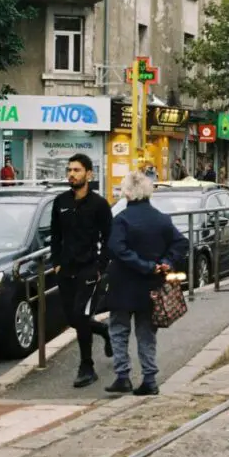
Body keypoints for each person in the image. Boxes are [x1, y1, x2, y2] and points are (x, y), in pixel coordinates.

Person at [104, 171, 188, 396]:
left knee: (119, 329)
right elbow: (181, 243)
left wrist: (144, 265)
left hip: (123, 284)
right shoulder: (162, 219)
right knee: (146, 333)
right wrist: (164, 263)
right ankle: (149, 378)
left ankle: (123, 376)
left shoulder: (121, 220)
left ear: (127, 193)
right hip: (152, 286)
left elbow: (116, 249)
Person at [50, 153, 113, 388]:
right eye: (69, 170)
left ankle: (87, 367)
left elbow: (109, 238)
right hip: (65, 270)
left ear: (89, 174)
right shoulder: (61, 202)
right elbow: (55, 236)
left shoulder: (99, 204)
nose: (71, 174)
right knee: (73, 319)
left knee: (81, 315)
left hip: (89, 269)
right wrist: (56, 262)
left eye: (76, 170)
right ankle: (104, 331)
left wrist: (100, 267)